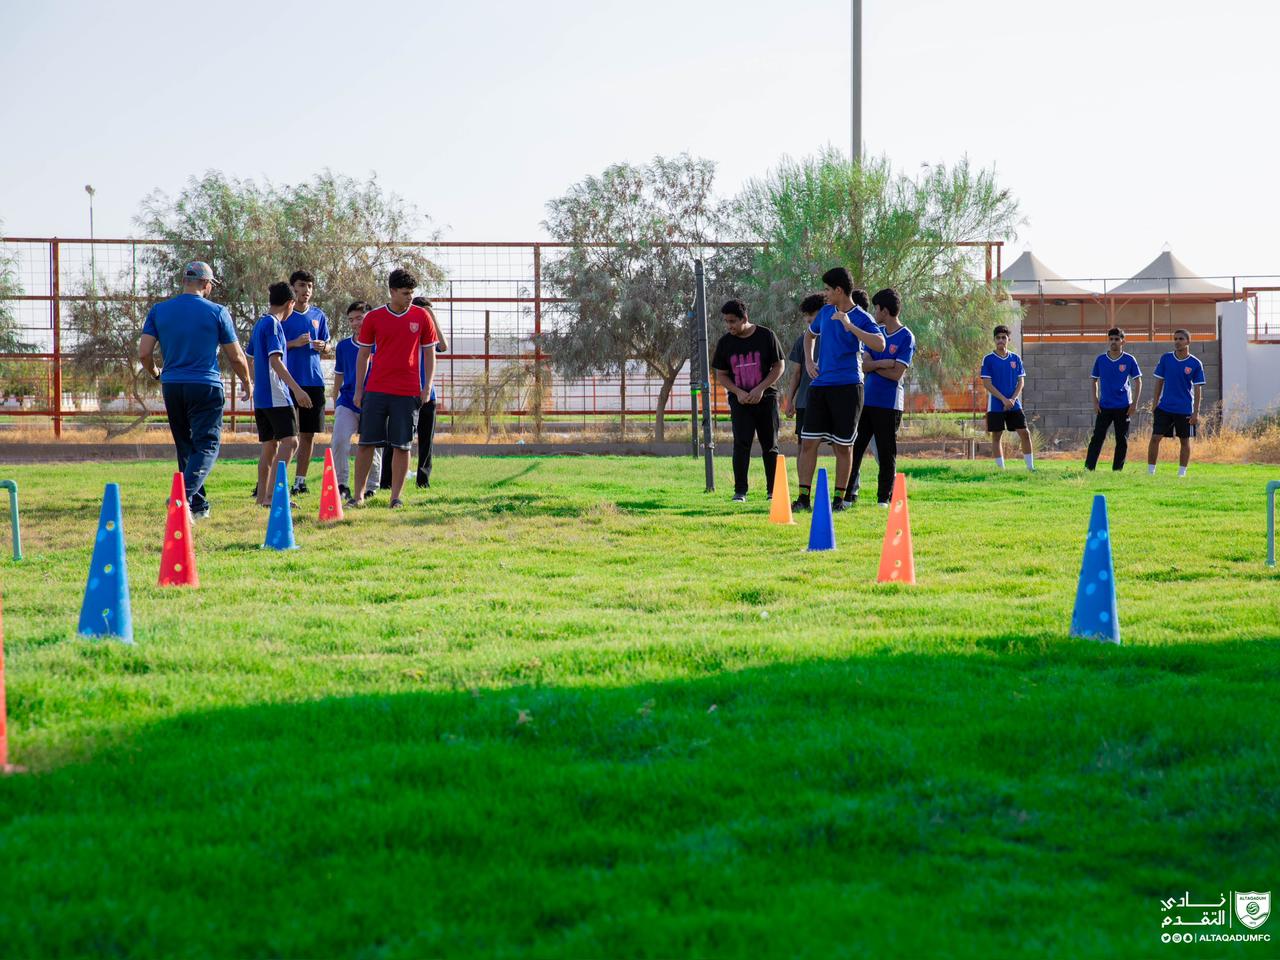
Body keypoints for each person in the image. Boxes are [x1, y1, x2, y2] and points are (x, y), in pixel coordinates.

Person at [139, 261, 251, 521]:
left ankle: (197, 507)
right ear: (204, 283)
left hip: (173, 385)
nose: (211, 287)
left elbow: (144, 352)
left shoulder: (159, 311)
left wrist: (156, 372)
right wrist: (246, 380)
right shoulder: (217, 312)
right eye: (211, 283)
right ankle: (181, 497)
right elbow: (235, 356)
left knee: (186, 446)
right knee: (208, 444)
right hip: (205, 385)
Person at [791, 267, 885, 513]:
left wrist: (850, 326)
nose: (825, 294)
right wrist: (810, 362)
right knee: (808, 442)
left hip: (848, 388)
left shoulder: (862, 317)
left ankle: (838, 500)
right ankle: (803, 498)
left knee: (843, 446)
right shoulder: (824, 312)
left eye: (828, 289)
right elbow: (808, 336)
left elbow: (880, 344)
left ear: (839, 290)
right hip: (820, 387)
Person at [350, 268, 438, 508]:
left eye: (412, 293)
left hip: (408, 392)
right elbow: (364, 355)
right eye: (405, 292)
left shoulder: (422, 317)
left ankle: (395, 497)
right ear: (392, 292)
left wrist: (426, 386)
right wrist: (359, 389)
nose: (410, 297)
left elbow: (430, 354)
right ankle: (358, 496)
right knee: (367, 443)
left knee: (402, 445)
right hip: (377, 389)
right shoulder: (375, 318)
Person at [710, 298, 785, 502]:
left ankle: (773, 492)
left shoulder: (766, 336)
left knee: (770, 445)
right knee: (741, 445)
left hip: (766, 399)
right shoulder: (725, 343)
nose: (729, 326)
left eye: (733, 321)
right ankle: (740, 491)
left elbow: (779, 366)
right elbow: (722, 374)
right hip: (740, 402)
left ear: (745, 318)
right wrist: (738, 392)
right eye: (726, 321)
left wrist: (760, 388)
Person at [249, 283, 314, 506]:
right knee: (291, 442)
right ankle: (274, 496)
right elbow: (275, 361)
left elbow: (251, 357)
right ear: (290, 304)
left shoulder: (259, 324)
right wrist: (296, 389)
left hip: (262, 397)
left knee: (270, 445)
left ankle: (262, 498)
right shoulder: (275, 325)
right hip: (277, 395)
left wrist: (251, 383)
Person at [848, 288, 914, 506]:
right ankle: (847, 497)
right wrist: (883, 363)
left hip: (890, 404)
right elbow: (864, 365)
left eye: (876, 309)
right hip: (867, 401)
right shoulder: (876, 333)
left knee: (886, 453)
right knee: (855, 449)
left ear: (884, 311)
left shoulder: (906, 337)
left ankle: (883, 499)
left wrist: (874, 367)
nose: (874, 312)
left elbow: (897, 374)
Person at [282, 270, 330, 495]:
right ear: (293, 288)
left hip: (313, 381)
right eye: (302, 285)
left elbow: (328, 346)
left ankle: (300, 481)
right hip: (287, 382)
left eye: (310, 286)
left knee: (308, 434)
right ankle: (273, 481)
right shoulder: (283, 316)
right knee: (283, 435)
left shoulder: (319, 316)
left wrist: (324, 347)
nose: (306, 290)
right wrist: (293, 343)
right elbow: (273, 348)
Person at [329, 301, 382, 500]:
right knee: (340, 440)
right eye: (351, 319)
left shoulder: (381, 342)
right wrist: (335, 400)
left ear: (369, 317)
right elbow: (339, 374)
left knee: (370, 445)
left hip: (373, 400)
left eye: (359, 317)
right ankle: (342, 484)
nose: (355, 323)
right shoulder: (343, 346)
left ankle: (371, 487)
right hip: (348, 401)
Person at [1147, 329, 1205, 478]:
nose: (1177, 341)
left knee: (1184, 441)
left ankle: (1181, 474)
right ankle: (1151, 472)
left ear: (1188, 342)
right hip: (1165, 408)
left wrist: (1195, 412)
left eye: (1181, 339)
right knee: (1155, 438)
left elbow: (1198, 389)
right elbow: (1159, 381)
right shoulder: (1166, 359)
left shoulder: (1195, 363)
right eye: (1175, 339)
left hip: (1184, 409)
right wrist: (1155, 403)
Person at [1084, 327, 1143, 472]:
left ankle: (1117, 470)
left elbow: (1138, 381)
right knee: (1097, 438)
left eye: (1117, 339)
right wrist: (1095, 401)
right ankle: (1088, 468)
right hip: (1104, 406)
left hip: (1123, 406)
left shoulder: (1129, 360)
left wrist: (1134, 404)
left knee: (1121, 440)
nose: (1113, 342)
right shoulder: (1101, 359)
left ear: (1123, 341)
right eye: (1111, 339)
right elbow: (1094, 380)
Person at [980, 325, 1034, 471]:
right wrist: (1003, 399)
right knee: (997, 436)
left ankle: (1030, 468)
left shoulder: (1015, 359)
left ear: (1008, 339)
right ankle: (1001, 470)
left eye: (1003, 337)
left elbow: (1021, 381)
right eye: (998, 338)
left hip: (1014, 404)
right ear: (994, 340)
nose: (1001, 340)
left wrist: (1012, 399)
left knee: (1025, 433)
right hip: (996, 405)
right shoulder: (989, 359)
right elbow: (987, 383)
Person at [411, 296, 449, 488]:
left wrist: (433, 316)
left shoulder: (430, 334)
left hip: (428, 395)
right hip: (406, 393)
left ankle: (423, 481)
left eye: (428, 313)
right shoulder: (407, 332)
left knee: (426, 441)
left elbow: (443, 346)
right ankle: (387, 481)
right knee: (399, 440)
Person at [782, 294, 825, 460]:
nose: (809, 321)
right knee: (803, 445)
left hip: (831, 399)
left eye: (811, 316)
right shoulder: (802, 340)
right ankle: (803, 484)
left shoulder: (836, 337)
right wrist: (790, 401)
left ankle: (845, 486)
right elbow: (796, 373)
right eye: (807, 319)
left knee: (840, 445)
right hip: (805, 402)